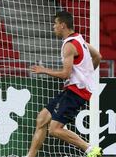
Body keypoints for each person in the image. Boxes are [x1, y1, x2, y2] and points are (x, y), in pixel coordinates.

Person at [26, 11, 102, 157]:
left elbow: (65, 74)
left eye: (55, 24)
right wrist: (87, 74)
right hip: (74, 89)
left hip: (76, 91)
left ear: (62, 25)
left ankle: (89, 148)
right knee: (42, 118)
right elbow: (98, 56)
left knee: (54, 129)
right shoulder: (80, 39)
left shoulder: (69, 46)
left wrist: (43, 70)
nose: (53, 27)